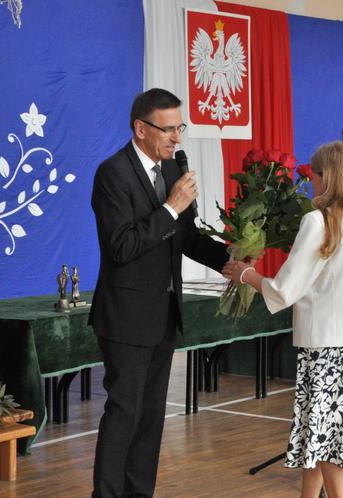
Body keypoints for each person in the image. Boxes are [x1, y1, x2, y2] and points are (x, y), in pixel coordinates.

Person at [223, 141, 343, 498]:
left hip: (325, 352)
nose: (312, 183)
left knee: (331, 451)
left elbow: (285, 290)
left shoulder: (319, 221)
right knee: (320, 441)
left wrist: (246, 274)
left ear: (327, 178)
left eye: (314, 175)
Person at [89, 88, 229, 498]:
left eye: (180, 127)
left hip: (164, 313)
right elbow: (122, 246)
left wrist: (231, 261)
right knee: (124, 413)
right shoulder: (112, 173)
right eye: (168, 129)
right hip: (126, 316)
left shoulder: (170, 171)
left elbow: (186, 238)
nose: (177, 137)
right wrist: (170, 207)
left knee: (151, 418)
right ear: (141, 128)